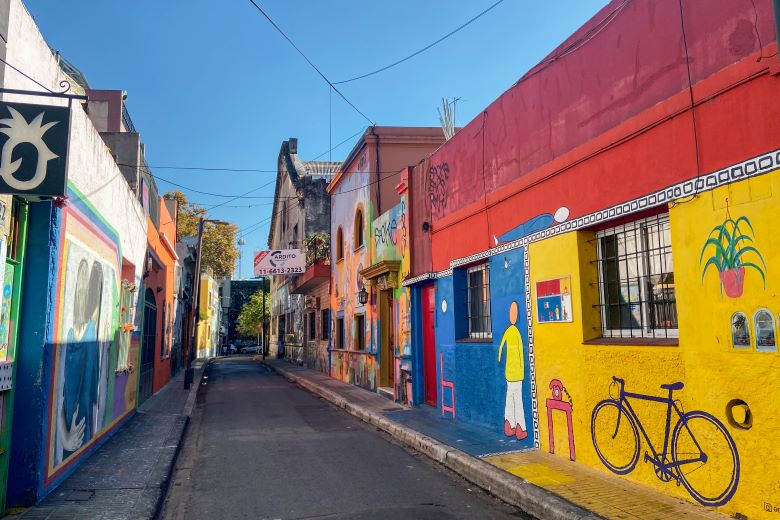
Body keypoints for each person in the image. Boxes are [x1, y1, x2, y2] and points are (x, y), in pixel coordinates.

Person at [497, 301, 527, 440]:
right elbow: (521, 354)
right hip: (517, 374)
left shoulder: (509, 332)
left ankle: (510, 425)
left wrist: (501, 364)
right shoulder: (515, 333)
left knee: (511, 399)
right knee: (517, 400)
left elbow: (500, 353)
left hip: (510, 373)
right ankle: (520, 427)